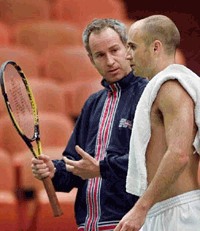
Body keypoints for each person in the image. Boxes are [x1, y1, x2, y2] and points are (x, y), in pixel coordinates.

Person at [32, 18, 148, 231]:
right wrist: (53, 170)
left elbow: (150, 161)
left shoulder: (148, 95)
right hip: (87, 225)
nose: (110, 61)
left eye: (114, 50)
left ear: (128, 48)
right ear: (91, 60)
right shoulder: (93, 103)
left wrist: (101, 168)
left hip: (131, 224)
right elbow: (76, 165)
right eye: (100, 55)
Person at [115, 15, 200, 231]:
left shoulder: (171, 87)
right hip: (162, 211)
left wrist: (140, 208)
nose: (126, 55)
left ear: (155, 47)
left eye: (132, 47)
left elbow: (179, 154)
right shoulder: (162, 87)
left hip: (179, 215)